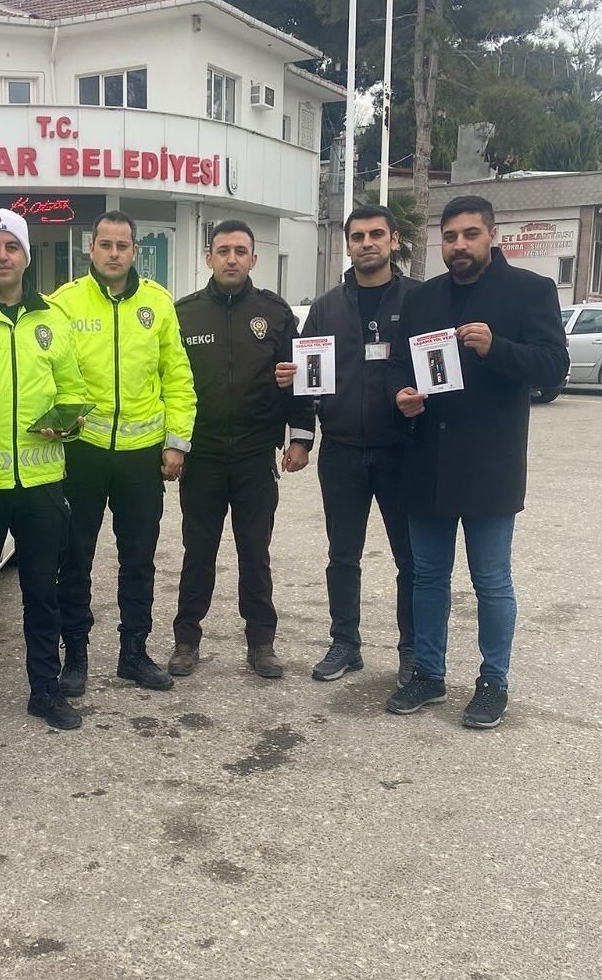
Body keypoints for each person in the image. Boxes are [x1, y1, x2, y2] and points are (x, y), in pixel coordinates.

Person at [383, 194, 569, 729]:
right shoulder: (423, 299)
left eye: (470, 234)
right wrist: (401, 394)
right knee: (427, 577)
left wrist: (497, 348)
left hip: (490, 465)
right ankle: (428, 673)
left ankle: (493, 681)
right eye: (450, 236)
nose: (459, 245)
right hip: (427, 461)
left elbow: (554, 367)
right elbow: (399, 363)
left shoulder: (529, 291)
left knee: (491, 581)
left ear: (492, 237)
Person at [0, 208, 89, 738]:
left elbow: (75, 392)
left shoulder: (52, 318)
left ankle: (44, 690)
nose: (2, 255)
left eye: (11, 246)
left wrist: (66, 423)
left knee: (42, 595)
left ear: (26, 256)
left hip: (43, 485)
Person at [52, 210, 196, 693]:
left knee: (139, 559)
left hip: (141, 457)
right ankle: (75, 656)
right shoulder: (64, 303)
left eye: (123, 245)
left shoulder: (158, 303)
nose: (114, 253)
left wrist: (177, 444)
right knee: (75, 558)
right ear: (90, 248)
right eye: (106, 244)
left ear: (136, 251)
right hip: (84, 453)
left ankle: (134, 653)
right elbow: (47, 373)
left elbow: (177, 376)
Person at [274, 205, 418, 685]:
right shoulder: (327, 306)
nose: (367, 243)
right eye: (358, 236)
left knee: (410, 558)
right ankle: (345, 643)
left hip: (402, 451)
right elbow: (306, 384)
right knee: (342, 555)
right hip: (341, 451)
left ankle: (413, 649)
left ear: (394, 240)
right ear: (348, 244)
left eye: (377, 234)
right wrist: (295, 405)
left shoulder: (419, 300)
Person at [168, 220, 314, 679]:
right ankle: (186, 639)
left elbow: (300, 377)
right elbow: (168, 384)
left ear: (254, 259)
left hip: (255, 455)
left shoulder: (274, 313)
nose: (232, 258)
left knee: (256, 552)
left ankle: (262, 643)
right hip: (204, 456)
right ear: (208, 258)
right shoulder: (184, 313)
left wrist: (299, 436)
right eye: (223, 250)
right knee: (198, 552)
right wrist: (172, 444)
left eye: (241, 251)